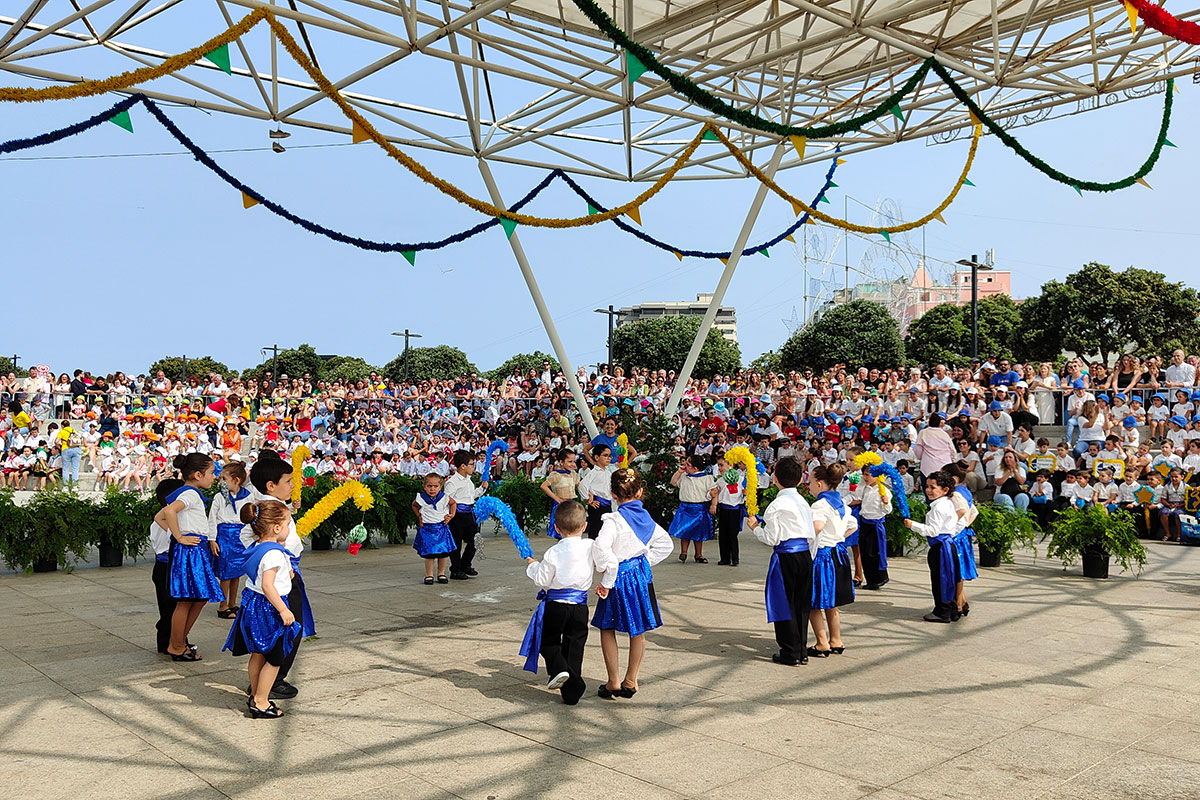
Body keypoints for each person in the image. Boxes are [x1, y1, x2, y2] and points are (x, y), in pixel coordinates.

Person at [591, 468, 673, 699]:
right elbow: (666, 545)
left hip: (617, 579)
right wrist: (644, 563)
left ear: (612, 494)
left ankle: (613, 681)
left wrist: (606, 578)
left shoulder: (613, 521)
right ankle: (631, 680)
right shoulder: (647, 520)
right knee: (638, 630)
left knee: (607, 627)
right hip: (639, 577)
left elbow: (601, 549)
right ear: (639, 492)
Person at [223, 499, 302, 719]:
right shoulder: (275, 553)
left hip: (253, 604)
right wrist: (284, 610)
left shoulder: (260, 547)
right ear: (276, 528)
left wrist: (286, 574)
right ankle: (261, 701)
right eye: (287, 524)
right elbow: (268, 585)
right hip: (268, 608)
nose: (288, 529)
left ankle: (256, 692)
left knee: (258, 653)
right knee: (274, 658)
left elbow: (263, 576)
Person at [246, 452, 310, 700]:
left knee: (270, 637)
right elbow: (249, 541)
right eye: (288, 481)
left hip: (282, 569)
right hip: (279, 578)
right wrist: (280, 559)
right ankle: (272, 682)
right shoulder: (268, 511)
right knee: (287, 629)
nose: (293, 486)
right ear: (271, 486)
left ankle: (261, 685)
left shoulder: (270, 507)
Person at [520, 500, 593, 705]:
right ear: (584, 526)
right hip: (580, 606)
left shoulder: (554, 552)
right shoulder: (590, 546)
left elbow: (542, 580)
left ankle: (559, 669)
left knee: (548, 641)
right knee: (575, 645)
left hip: (557, 605)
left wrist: (533, 565)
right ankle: (572, 692)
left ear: (557, 528)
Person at [748, 455, 816, 665]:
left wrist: (755, 528)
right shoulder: (804, 502)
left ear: (775, 478)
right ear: (799, 480)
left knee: (784, 602)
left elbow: (772, 538)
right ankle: (801, 649)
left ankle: (790, 651)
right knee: (802, 603)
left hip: (786, 556)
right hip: (805, 554)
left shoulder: (776, 505)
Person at [154, 453, 223, 661]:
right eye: (211, 473)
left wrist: (177, 536)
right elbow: (168, 511)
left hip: (194, 549)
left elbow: (159, 516)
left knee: (198, 598)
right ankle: (176, 645)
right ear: (197, 474)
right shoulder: (190, 493)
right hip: (191, 550)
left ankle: (179, 641)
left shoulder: (189, 493)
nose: (214, 477)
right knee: (187, 600)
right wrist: (180, 537)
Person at [807, 464, 855, 657]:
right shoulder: (842, 503)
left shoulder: (819, 505)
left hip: (822, 556)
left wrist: (807, 538)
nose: (808, 485)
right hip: (839, 554)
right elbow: (853, 525)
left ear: (819, 484)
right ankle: (836, 639)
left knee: (814, 602)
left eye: (810, 482)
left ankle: (822, 643)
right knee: (831, 601)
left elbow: (816, 526)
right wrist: (838, 537)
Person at [904, 471, 962, 623]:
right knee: (950, 579)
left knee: (940, 579)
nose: (928, 490)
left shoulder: (938, 507)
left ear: (945, 490)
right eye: (927, 486)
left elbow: (933, 531)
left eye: (933, 487)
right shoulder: (948, 503)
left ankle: (942, 611)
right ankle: (953, 609)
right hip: (949, 544)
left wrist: (913, 525)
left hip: (941, 547)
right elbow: (958, 523)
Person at [149, 478, 187, 656]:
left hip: (164, 567)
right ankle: (174, 643)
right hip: (168, 567)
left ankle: (167, 642)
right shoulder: (169, 522)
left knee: (168, 608)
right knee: (173, 608)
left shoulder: (161, 520)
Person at [208, 460, 251, 619]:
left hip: (241, 535)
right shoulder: (219, 497)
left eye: (224, 479)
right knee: (226, 572)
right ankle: (222, 605)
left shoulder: (248, 496)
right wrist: (212, 539)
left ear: (236, 480)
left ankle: (233, 603)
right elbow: (212, 518)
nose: (221, 482)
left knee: (237, 572)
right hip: (225, 535)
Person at [668, 454, 718, 563]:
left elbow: (714, 492)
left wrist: (713, 505)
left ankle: (698, 554)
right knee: (684, 531)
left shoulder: (706, 478)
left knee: (698, 534)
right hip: (685, 507)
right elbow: (673, 482)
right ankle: (684, 552)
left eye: (688, 464)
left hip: (700, 508)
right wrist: (679, 472)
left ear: (695, 468)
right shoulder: (684, 476)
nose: (685, 466)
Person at [445, 450, 486, 580]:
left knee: (475, 540)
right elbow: (446, 500)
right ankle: (455, 569)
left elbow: (471, 495)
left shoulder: (468, 480)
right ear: (463, 466)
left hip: (470, 513)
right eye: (471, 464)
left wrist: (482, 489)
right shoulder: (452, 482)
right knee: (456, 543)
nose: (473, 466)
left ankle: (465, 564)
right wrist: (448, 515)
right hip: (457, 515)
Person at [412, 472, 457, 584]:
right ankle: (429, 575)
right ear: (424, 487)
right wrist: (419, 516)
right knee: (429, 554)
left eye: (435, 486)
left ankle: (441, 573)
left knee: (443, 553)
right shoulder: (421, 498)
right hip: (427, 529)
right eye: (429, 486)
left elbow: (453, 503)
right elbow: (414, 505)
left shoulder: (444, 497)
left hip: (441, 528)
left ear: (440, 487)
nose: (432, 489)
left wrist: (451, 515)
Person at [855, 465, 891, 590]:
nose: (865, 477)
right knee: (865, 553)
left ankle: (880, 577)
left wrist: (885, 502)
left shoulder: (883, 491)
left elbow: (888, 510)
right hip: (865, 523)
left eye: (868, 475)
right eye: (864, 474)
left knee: (875, 552)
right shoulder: (865, 488)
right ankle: (870, 580)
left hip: (876, 524)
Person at [714, 451, 746, 566]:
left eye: (722, 465)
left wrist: (745, 493)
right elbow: (715, 494)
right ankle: (725, 558)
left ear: (730, 465)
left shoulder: (740, 479)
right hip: (723, 509)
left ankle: (735, 558)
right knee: (723, 535)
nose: (719, 468)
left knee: (733, 535)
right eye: (718, 465)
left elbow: (746, 492)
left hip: (735, 510)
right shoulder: (720, 481)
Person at [578, 443, 614, 539]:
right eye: (605, 455)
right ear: (597, 457)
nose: (608, 458)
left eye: (610, 456)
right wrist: (588, 500)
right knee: (596, 531)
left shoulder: (608, 472)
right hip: (597, 505)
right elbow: (582, 486)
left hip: (607, 505)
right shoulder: (593, 472)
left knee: (606, 532)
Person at [541, 449, 579, 539]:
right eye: (570, 461)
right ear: (561, 462)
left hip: (571, 505)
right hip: (561, 506)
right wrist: (556, 498)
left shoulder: (573, 474)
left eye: (574, 461)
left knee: (572, 531)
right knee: (562, 532)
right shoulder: (556, 475)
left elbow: (578, 485)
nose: (573, 464)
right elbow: (544, 486)